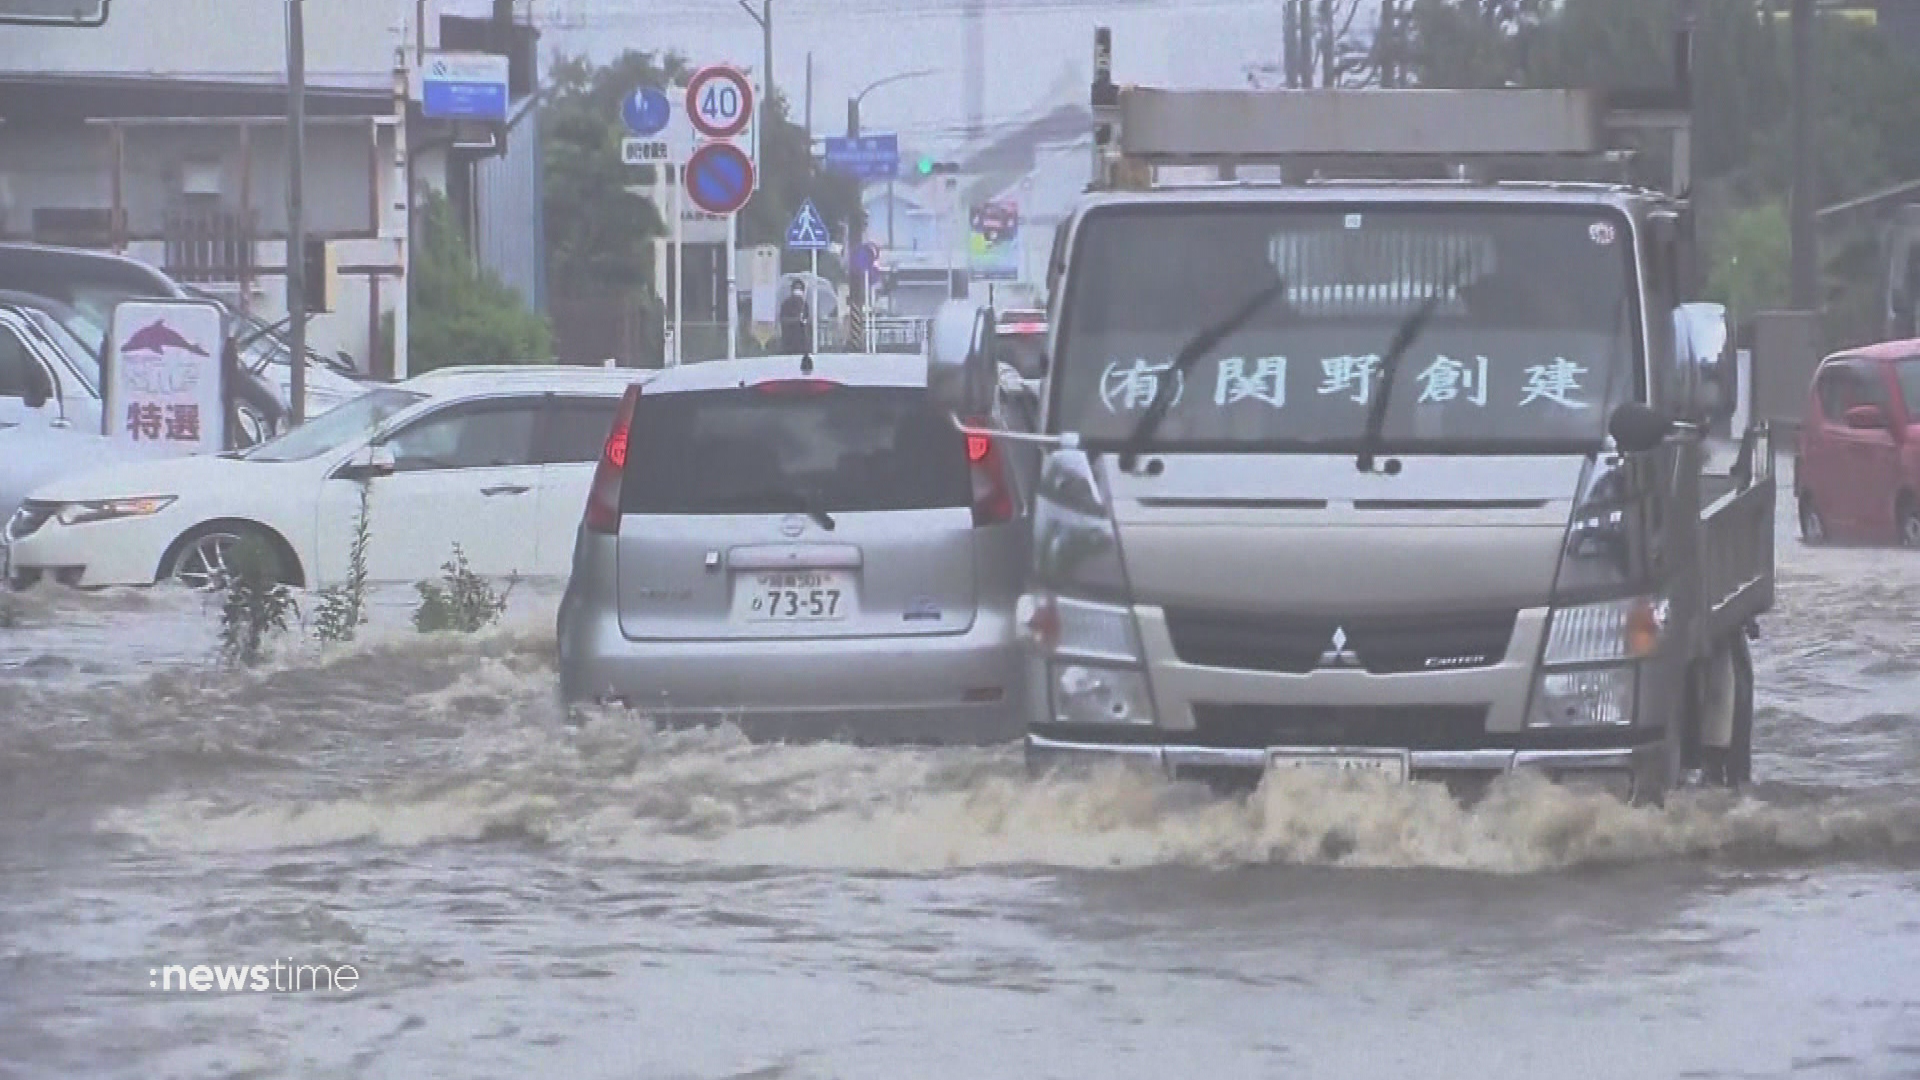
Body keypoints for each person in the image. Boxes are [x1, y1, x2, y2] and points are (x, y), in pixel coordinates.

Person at [778, 280, 811, 354]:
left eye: (800, 289)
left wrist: (805, 322)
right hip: (789, 340)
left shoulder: (804, 305)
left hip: (802, 342)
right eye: (796, 288)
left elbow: (807, 320)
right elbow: (783, 320)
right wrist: (796, 320)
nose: (798, 291)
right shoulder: (786, 303)